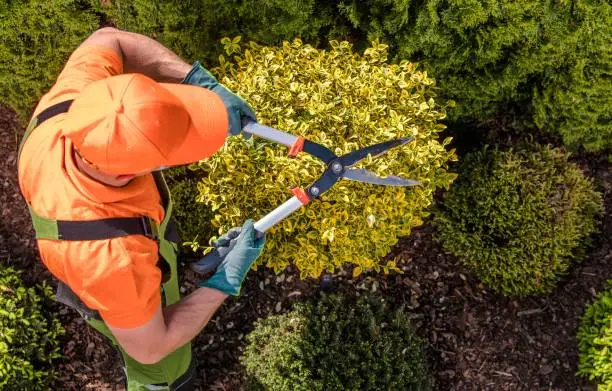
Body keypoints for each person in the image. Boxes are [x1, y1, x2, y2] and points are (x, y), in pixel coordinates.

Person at [17, 27, 265, 390]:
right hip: (121, 300)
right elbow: (151, 345)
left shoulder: (79, 105)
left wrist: (198, 81)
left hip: (95, 247)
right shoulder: (114, 259)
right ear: (131, 171)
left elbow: (108, 38)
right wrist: (225, 281)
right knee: (163, 369)